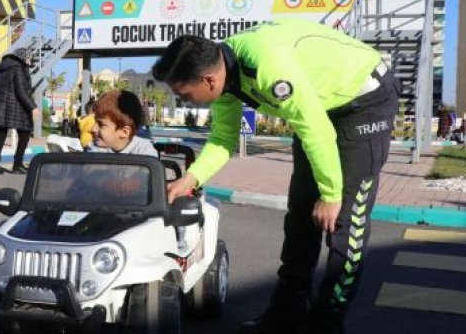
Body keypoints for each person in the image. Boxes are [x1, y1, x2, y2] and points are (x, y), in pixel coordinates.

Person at [152, 18, 398, 334]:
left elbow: (315, 129)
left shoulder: (267, 67)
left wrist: (331, 194)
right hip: (320, 107)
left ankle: (327, 322)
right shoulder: (225, 75)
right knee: (300, 216)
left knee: (344, 223)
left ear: (208, 80)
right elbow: (224, 137)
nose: (184, 102)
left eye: (185, 95)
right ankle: (287, 312)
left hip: (364, 101)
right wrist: (191, 178)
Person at [0, 46, 37, 175]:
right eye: (28, 57)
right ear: (23, 57)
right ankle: (17, 165)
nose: (30, 60)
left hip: (2, 107)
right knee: (25, 133)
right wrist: (32, 107)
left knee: (0, 136)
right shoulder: (18, 69)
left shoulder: (4, 67)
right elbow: (21, 91)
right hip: (15, 107)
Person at [89, 90, 157, 157]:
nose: (92, 129)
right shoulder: (96, 149)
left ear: (124, 132)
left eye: (101, 124)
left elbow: (152, 166)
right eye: (95, 122)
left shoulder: (143, 151)